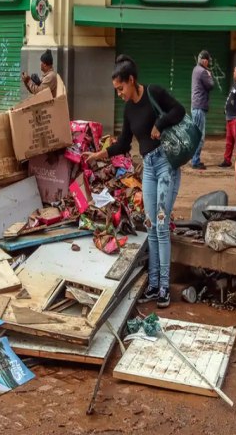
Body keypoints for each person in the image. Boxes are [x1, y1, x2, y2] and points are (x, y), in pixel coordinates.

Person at [84, 55, 185, 308]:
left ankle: (164, 287)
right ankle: (152, 284)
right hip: (149, 168)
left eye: (121, 88)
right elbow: (123, 144)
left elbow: (179, 110)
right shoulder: (129, 109)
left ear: (131, 80)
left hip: (166, 166)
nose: (119, 94)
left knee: (161, 227)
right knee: (150, 225)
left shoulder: (154, 93)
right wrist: (98, 155)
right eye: (116, 90)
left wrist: (160, 123)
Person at [190, 50, 214, 170]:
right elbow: (211, 85)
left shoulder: (195, 69)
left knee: (195, 135)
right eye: (208, 61)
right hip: (199, 107)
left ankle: (193, 159)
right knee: (200, 136)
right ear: (204, 60)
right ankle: (195, 161)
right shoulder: (203, 72)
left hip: (195, 106)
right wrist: (210, 75)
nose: (208, 63)